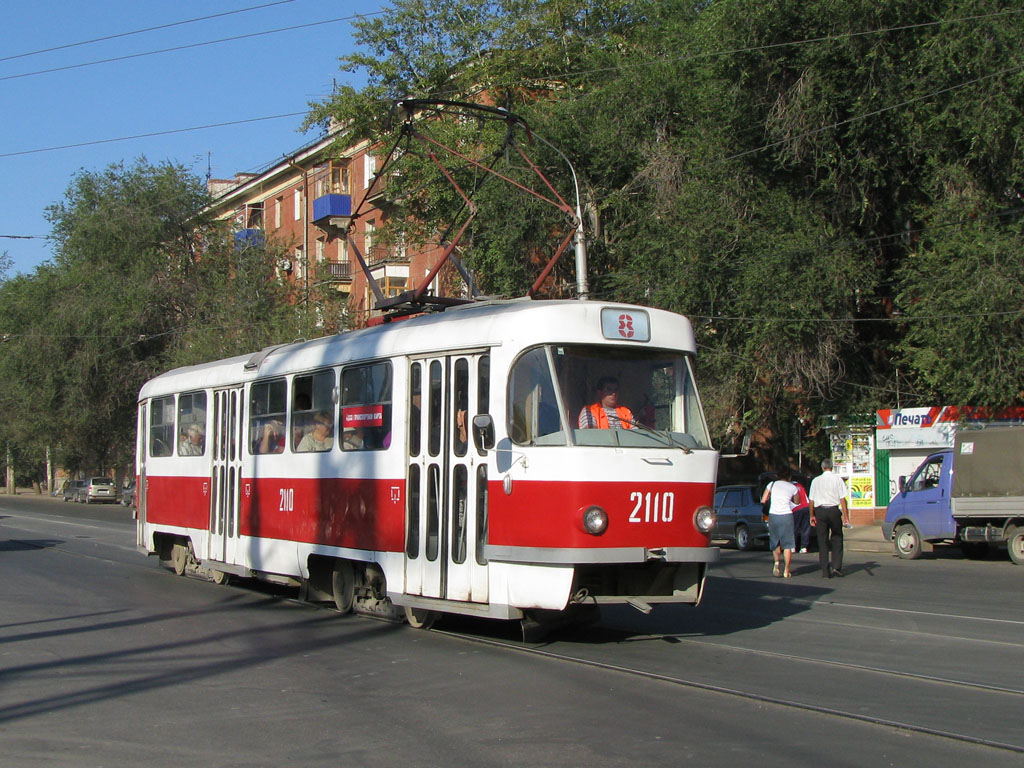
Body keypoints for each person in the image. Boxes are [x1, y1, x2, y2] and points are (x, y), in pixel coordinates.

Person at [809, 458, 851, 578]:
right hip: (833, 510)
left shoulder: (816, 481)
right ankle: (836, 567)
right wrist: (846, 517)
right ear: (832, 467)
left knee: (822, 540)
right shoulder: (838, 480)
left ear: (822, 468)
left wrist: (812, 515)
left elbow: (811, 500)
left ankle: (825, 570)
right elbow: (843, 500)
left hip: (820, 511)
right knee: (837, 537)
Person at [760, 466, 799, 578]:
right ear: (789, 476)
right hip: (787, 515)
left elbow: (763, 499)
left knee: (775, 541)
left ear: (778, 475)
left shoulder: (771, 484)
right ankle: (787, 570)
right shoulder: (793, 487)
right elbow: (797, 502)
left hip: (773, 515)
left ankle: (777, 562)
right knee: (788, 544)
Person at [792, 480, 811, 554]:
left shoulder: (789, 486)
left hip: (796, 508)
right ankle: (804, 547)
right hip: (806, 506)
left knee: (794, 528)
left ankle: (793, 546)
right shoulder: (799, 484)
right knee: (805, 528)